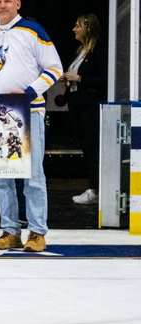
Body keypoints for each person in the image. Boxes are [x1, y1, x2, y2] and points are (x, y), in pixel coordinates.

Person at [0, 0, 63, 253]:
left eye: (8, 1)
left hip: (28, 110)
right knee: (1, 177)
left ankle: (37, 232)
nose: (3, 5)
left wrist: (29, 92)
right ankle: (9, 231)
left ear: (18, 3)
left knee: (32, 175)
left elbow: (55, 68)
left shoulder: (33, 30)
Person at [63, 13, 108, 206]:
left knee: (93, 148)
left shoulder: (98, 50)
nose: (74, 29)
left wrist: (79, 79)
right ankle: (93, 187)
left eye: (77, 26)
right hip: (77, 106)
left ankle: (95, 189)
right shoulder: (80, 51)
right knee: (86, 147)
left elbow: (105, 80)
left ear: (87, 28)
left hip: (90, 107)